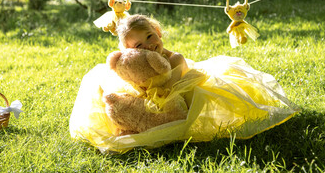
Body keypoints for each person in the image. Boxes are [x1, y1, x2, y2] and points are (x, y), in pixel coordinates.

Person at [69, 14, 299, 154]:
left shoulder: (175, 58)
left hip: (177, 94)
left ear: (157, 32)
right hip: (152, 93)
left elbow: (170, 88)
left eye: (150, 36)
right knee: (111, 95)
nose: (148, 46)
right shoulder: (138, 64)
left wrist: (149, 95)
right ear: (129, 52)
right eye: (138, 46)